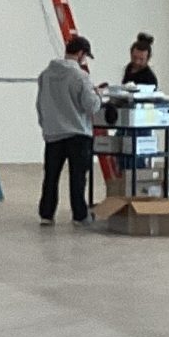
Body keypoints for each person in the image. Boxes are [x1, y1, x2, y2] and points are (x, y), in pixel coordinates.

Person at [37, 34, 102, 224]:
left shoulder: (45, 75)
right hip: (78, 134)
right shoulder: (80, 76)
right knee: (78, 178)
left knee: (51, 176)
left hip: (53, 133)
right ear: (81, 54)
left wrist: (46, 126)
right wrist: (98, 95)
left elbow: (40, 104)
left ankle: (46, 214)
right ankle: (79, 215)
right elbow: (91, 106)